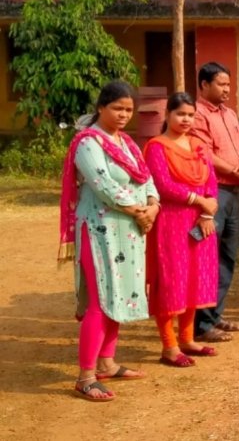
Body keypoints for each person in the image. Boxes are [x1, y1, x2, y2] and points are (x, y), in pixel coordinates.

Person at [59, 80, 159, 402]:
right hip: (100, 229)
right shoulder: (87, 143)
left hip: (129, 230)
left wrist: (153, 206)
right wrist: (139, 212)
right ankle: (86, 377)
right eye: (117, 108)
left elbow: (147, 178)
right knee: (101, 300)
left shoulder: (127, 142)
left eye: (129, 110)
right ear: (101, 107)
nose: (124, 115)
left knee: (120, 296)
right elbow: (103, 185)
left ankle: (106, 362)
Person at [144, 92, 221, 367]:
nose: (186, 120)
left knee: (193, 278)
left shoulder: (198, 145)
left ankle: (187, 339)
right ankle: (169, 346)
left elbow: (211, 181)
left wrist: (207, 211)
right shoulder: (157, 147)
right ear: (168, 114)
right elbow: (162, 185)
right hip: (171, 221)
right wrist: (198, 200)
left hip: (201, 221)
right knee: (171, 279)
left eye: (190, 115)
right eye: (180, 114)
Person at [191, 61, 239, 343]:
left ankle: (215, 315)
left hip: (234, 191)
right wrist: (234, 170)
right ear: (204, 85)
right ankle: (201, 324)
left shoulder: (229, 114)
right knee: (208, 258)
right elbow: (204, 153)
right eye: (221, 84)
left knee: (228, 256)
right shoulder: (197, 114)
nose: (227, 89)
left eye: (228, 84)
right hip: (214, 192)